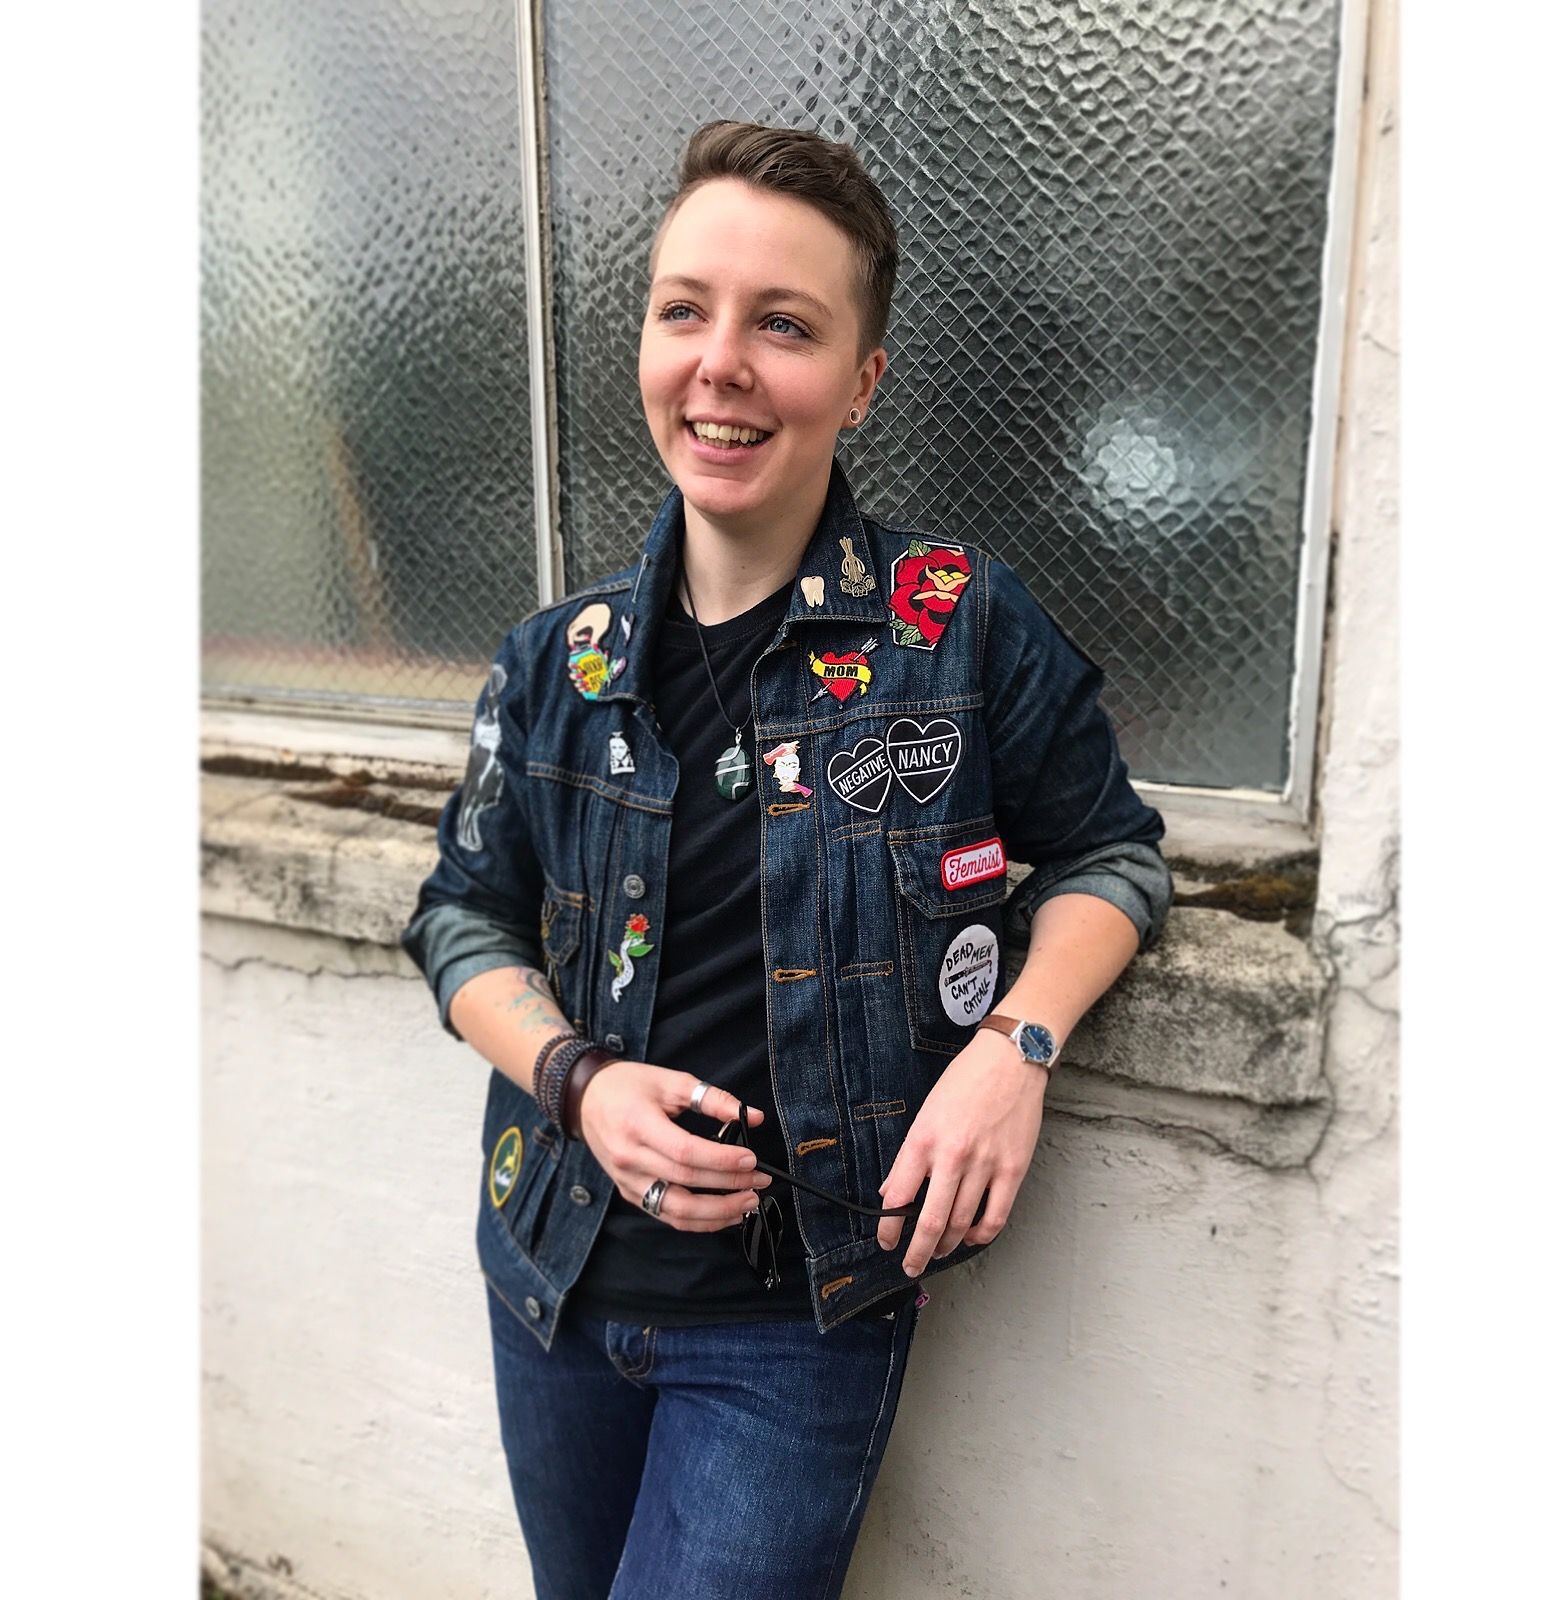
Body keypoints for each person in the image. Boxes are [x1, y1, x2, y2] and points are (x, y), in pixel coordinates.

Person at [402, 119, 1172, 1600]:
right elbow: (460, 920)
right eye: (684, 310)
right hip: (551, 1282)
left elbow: (1112, 856)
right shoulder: (554, 660)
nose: (721, 366)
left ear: (863, 380)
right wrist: (579, 1081)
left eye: (785, 325)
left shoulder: (958, 623)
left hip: (796, 1324)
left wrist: (1016, 1046)